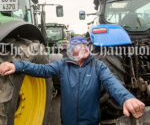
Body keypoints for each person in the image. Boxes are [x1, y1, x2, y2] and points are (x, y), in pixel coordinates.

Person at [0, 36, 145, 125]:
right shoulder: (62, 65)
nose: (85, 48)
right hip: (68, 122)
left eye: (85, 45)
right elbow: (41, 70)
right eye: (79, 46)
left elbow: (112, 83)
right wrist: (16, 65)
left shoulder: (98, 66)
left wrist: (126, 98)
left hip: (91, 122)